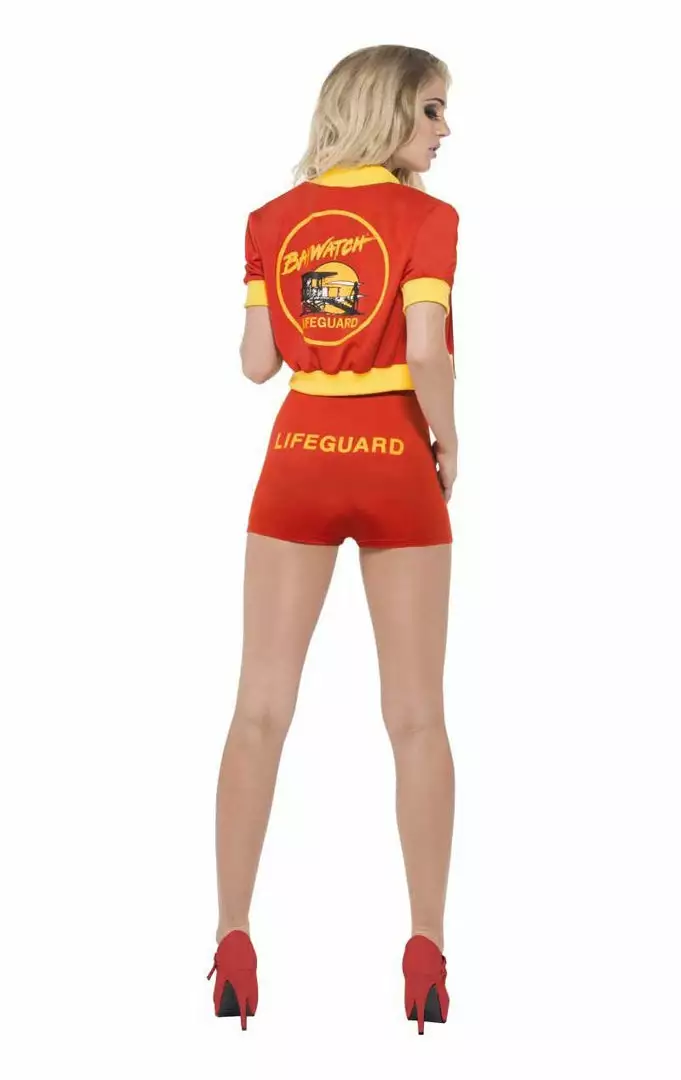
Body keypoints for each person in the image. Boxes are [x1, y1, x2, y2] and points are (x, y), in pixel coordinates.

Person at [206, 44, 460, 1035]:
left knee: (259, 708)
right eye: (431, 109)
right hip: (394, 454)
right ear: (386, 110)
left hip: (301, 452)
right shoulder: (428, 221)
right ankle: (426, 951)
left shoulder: (271, 221)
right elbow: (427, 350)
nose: (444, 129)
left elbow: (255, 364)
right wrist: (448, 439)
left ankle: (233, 938)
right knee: (417, 718)